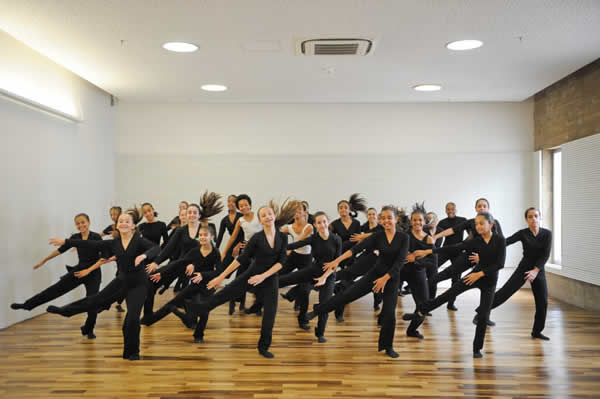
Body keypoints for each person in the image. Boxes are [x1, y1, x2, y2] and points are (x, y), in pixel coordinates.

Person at [46, 208, 160, 361]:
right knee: (95, 299)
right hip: (121, 281)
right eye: (121, 221)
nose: (124, 223)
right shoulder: (114, 243)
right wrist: (66, 242)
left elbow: (156, 248)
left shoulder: (139, 241)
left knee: (132, 319)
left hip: (138, 284)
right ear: (117, 226)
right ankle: (66, 310)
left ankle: (132, 352)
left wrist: (143, 255)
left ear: (133, 226)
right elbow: (89, 244)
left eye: (127, 221)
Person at [407, 212, 506, 358]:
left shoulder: (499, 240)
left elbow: (500, 264)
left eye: (481, 223)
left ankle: (476, 349)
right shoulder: (476, 241)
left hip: (488, 281)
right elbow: (454, 248)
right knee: (449, 293)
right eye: (476, 224)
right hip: (474, 276)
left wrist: (479, 274)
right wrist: (429, 250)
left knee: (484, 316)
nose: (477, 226)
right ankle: (421, 310)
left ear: (490, 224)